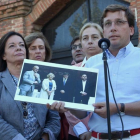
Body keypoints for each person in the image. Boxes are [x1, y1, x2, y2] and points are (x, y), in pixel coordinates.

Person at [47, 4, 140, 140]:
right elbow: (83, 112)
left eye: (119, 22)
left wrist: (119, 107)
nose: (113, 28)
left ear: (131, 30)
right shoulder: (91, 63)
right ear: (103, 31)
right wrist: (69, 106)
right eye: (108, 24)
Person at [0, 31, 60, 140]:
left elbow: (54, 118)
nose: (18, 48)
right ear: (4, 55)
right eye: (12, 46)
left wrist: (46, 136)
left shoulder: (42, 78)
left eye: (22, 45)